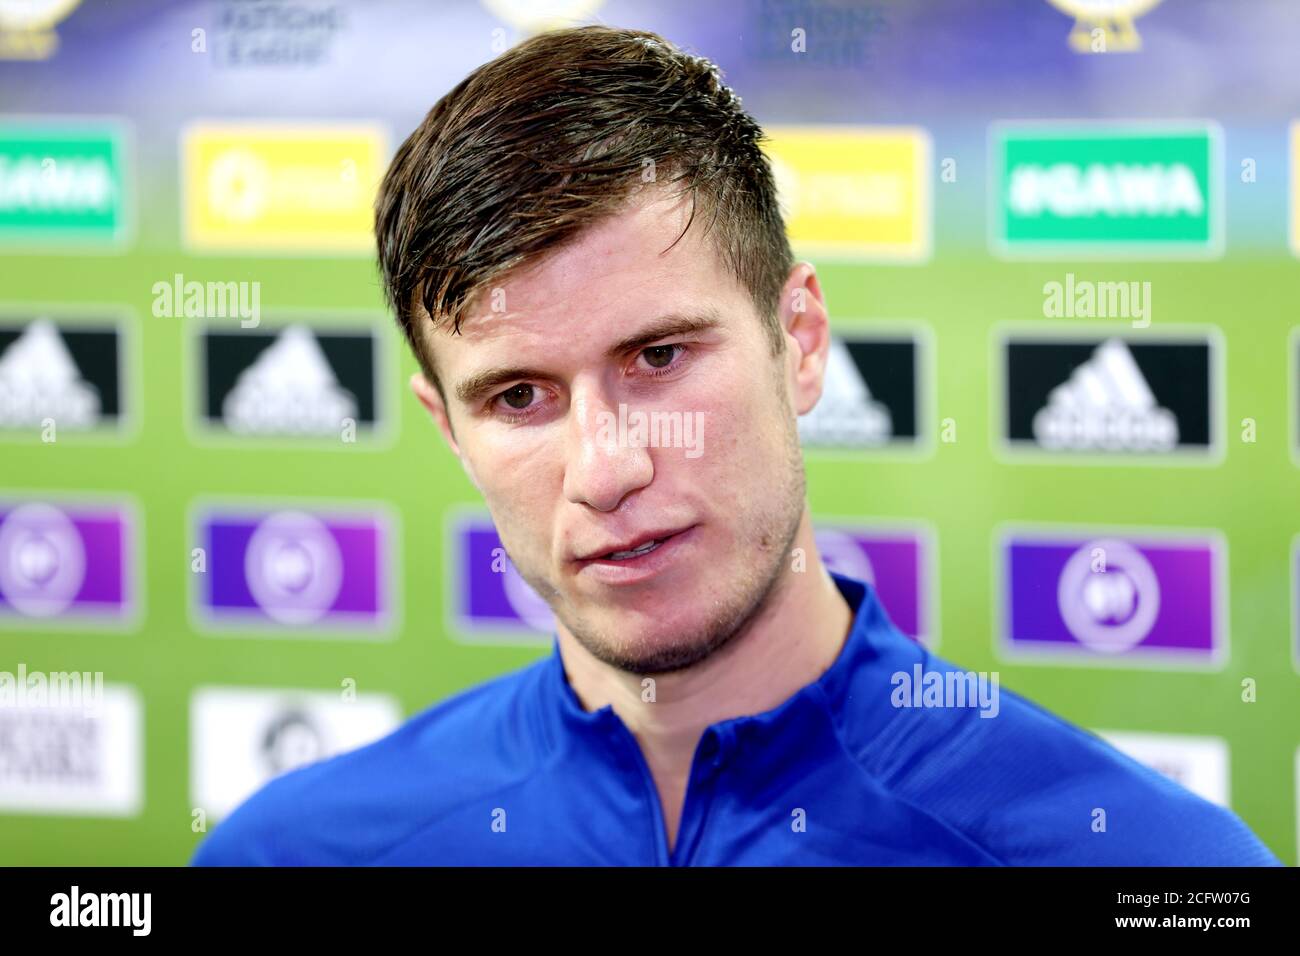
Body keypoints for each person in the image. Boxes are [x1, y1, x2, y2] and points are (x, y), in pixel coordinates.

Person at [191, 25, 1280, 866]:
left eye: (659, 356)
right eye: (519, 396)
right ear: (449, 430)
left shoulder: (1145, 863)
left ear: (797, 339)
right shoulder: (289, 853)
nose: (608, 466)